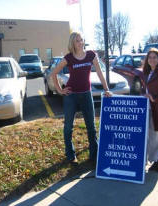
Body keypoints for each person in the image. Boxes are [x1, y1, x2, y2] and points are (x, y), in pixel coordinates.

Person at [51, 32, 111, 164]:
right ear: (72, 43)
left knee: (91, 126)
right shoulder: (68, 58)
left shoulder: (91, 55)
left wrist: (106, 89)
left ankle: (94, 155)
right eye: (77, 41)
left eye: (81, 40)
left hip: (86, 94)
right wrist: (60, 91)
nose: (80, 43)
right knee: (68, 126)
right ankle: (71, 155)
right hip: (71, 95)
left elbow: (100, 73)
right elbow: (53, 73)